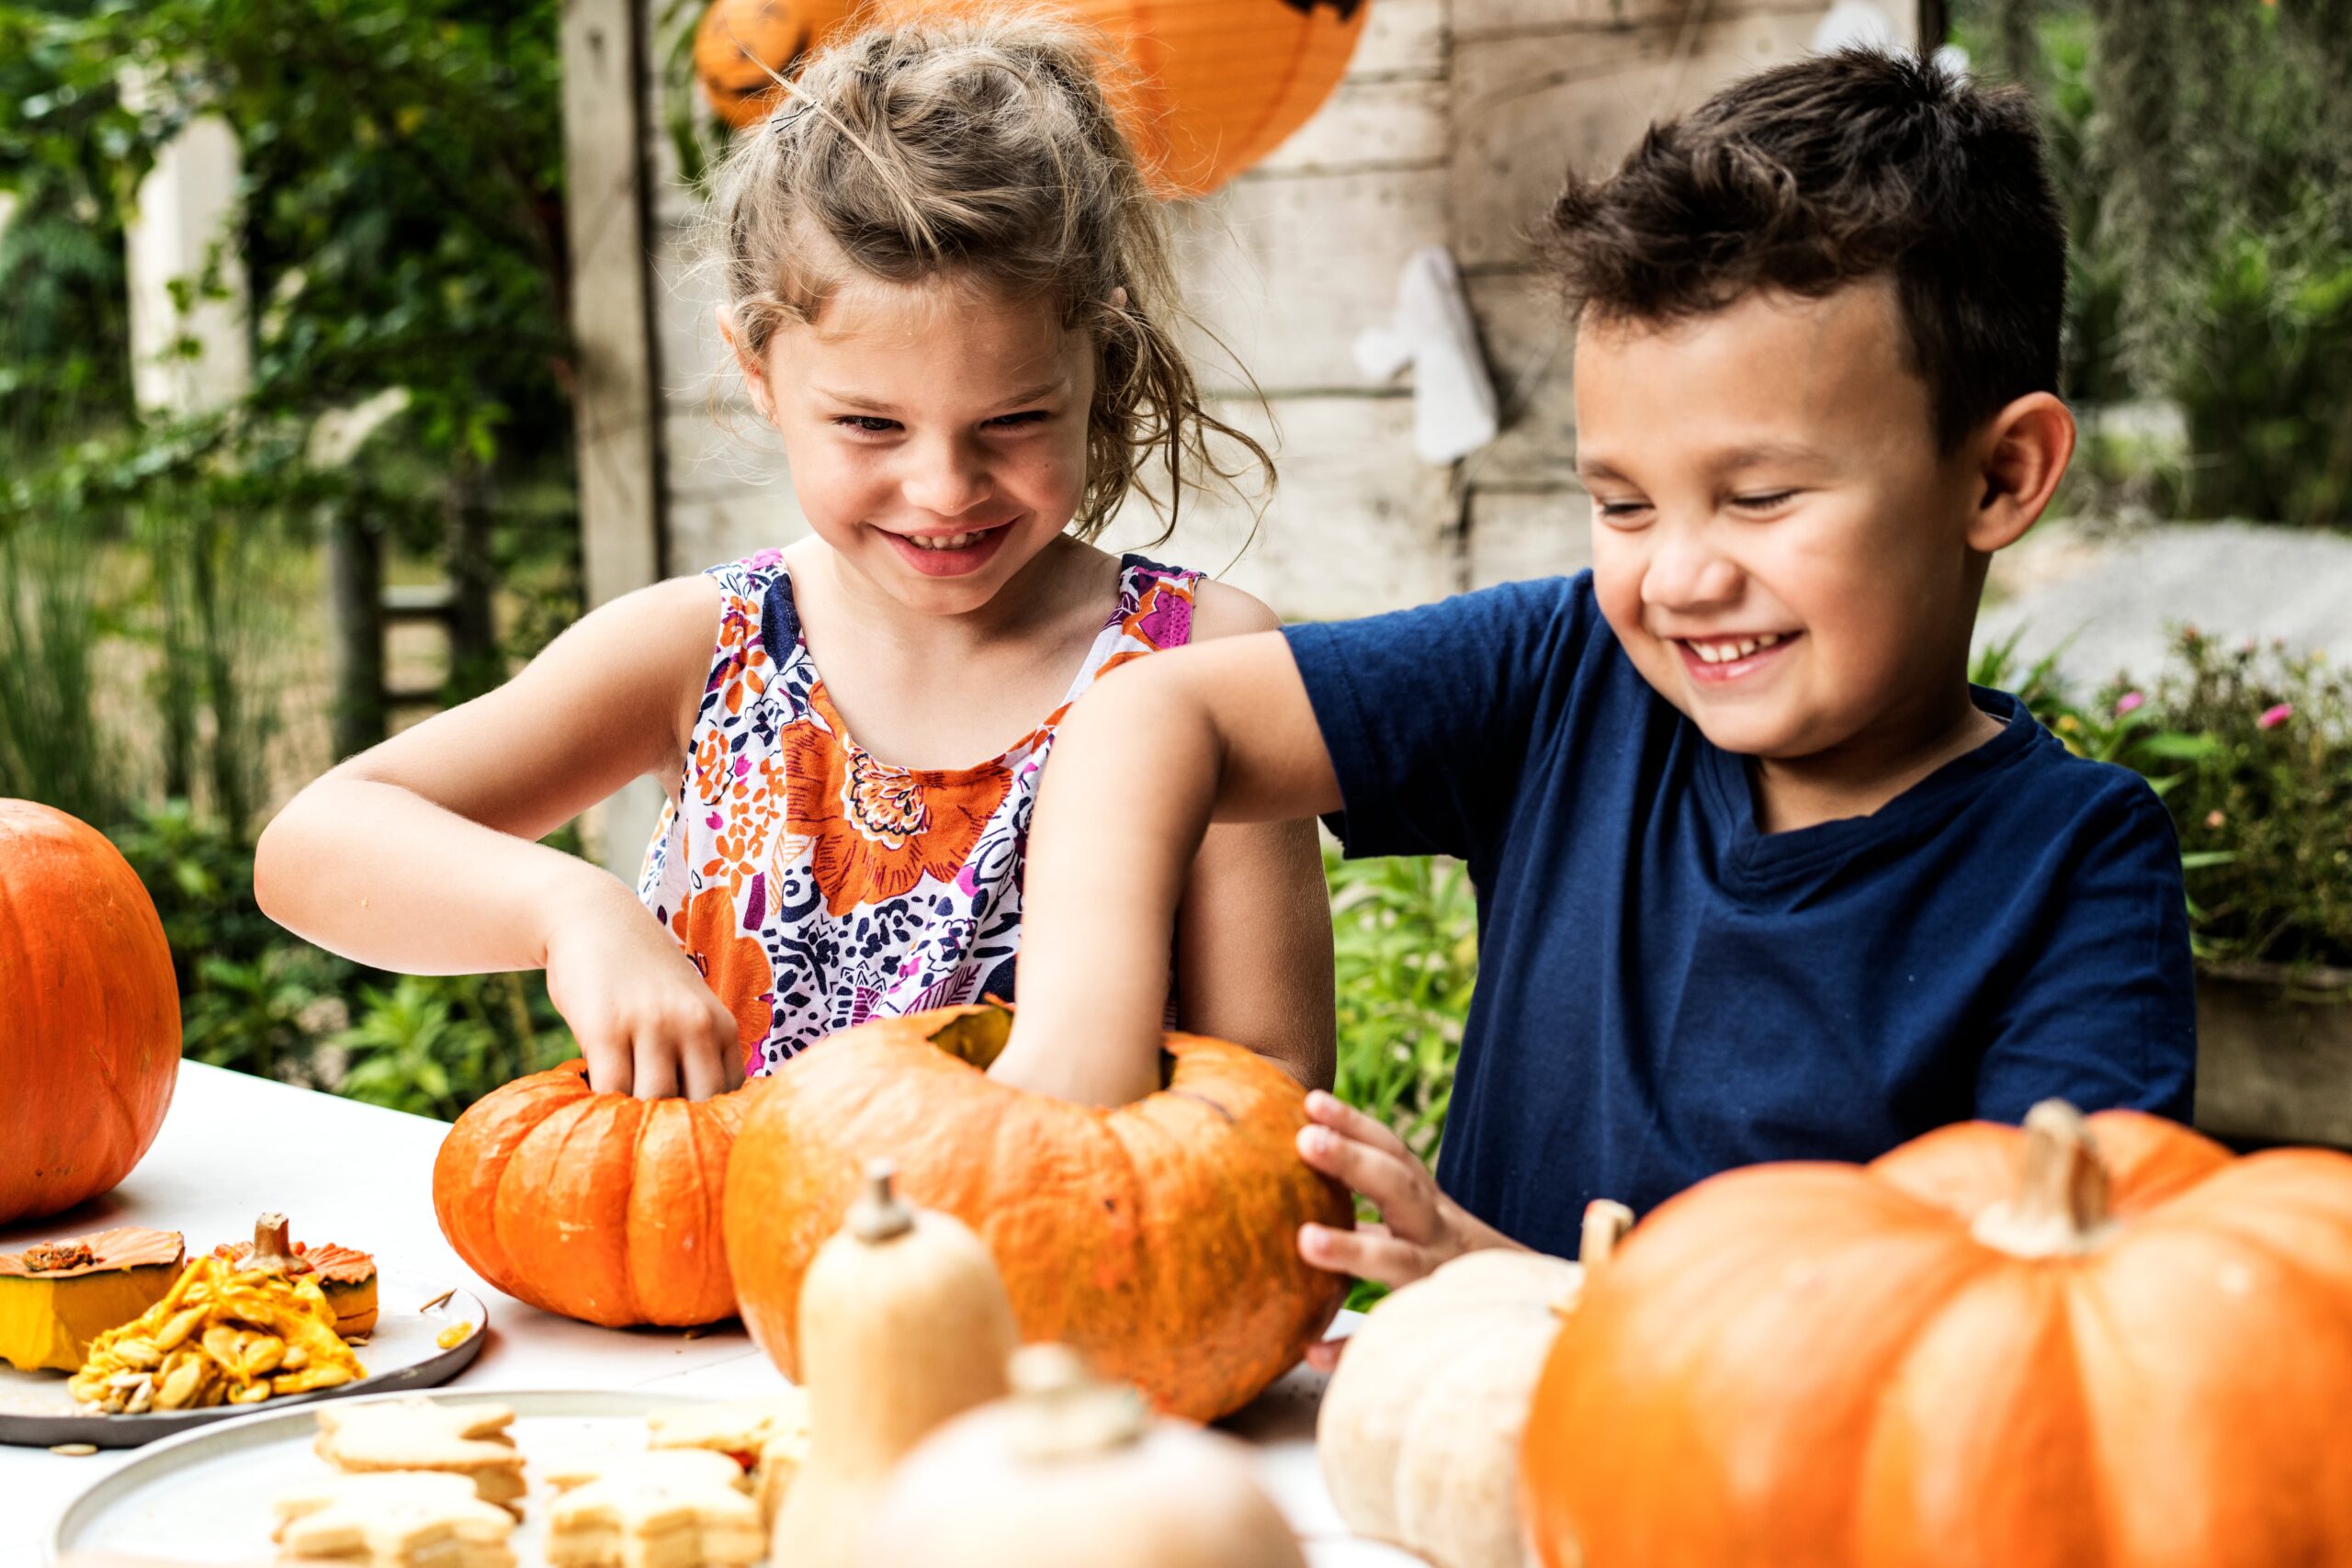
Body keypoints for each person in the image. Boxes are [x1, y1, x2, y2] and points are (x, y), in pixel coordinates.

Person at [993, 48, 2197, 1287]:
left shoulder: (2079, 868)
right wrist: (1079, 1046)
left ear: (1999, 477)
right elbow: (1151, 717)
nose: (1677, 576)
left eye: (1760, 496)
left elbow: (2026, 1332)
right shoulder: (1565, 672)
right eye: (1623, 505)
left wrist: (1516, 1285)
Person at [256, 15, 1334, 1103]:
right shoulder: (704, 648)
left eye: (1012, 420)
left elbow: (1273, 1087)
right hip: (706, 1267)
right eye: (870, 426)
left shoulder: (1202, 664)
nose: (944, 489)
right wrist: (570, 912)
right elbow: (314, 844)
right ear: (758, 369)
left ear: (1100, 359)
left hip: (1062, 1262)